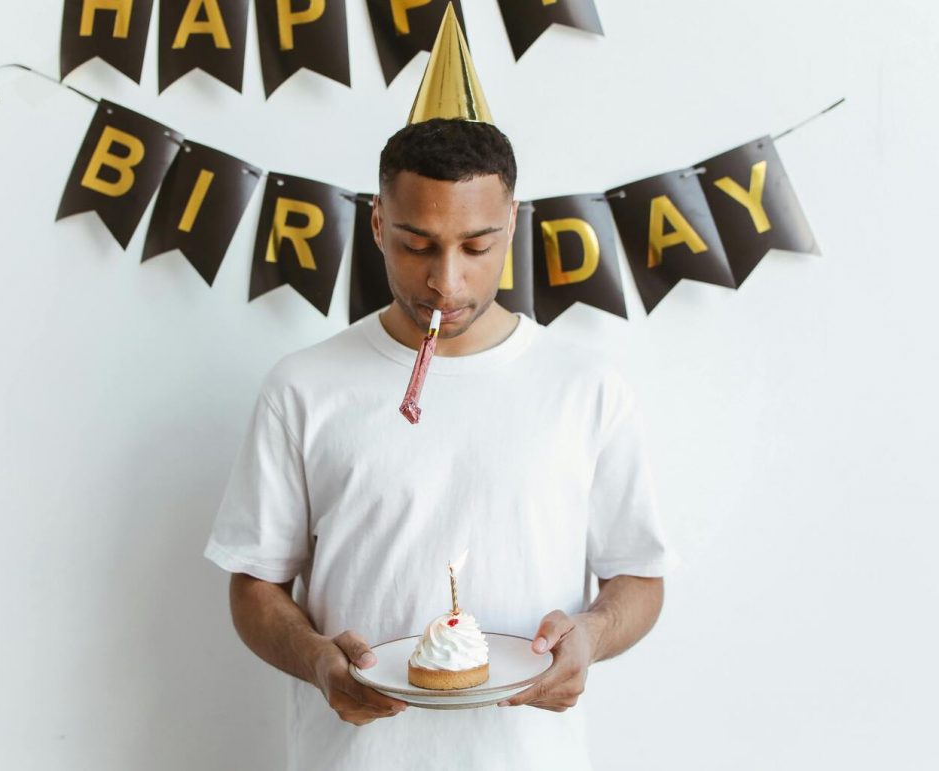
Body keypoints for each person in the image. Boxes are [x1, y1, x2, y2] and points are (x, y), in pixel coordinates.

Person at [204, 9, 679, 770]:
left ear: (512, 224)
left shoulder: (586, 387)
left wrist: (591, 633)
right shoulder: (303, 387)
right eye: (417, 244)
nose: (445, 281)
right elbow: (255, 587)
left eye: (476, 246)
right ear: (377, 224)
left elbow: (638, 576)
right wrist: (319, 658)